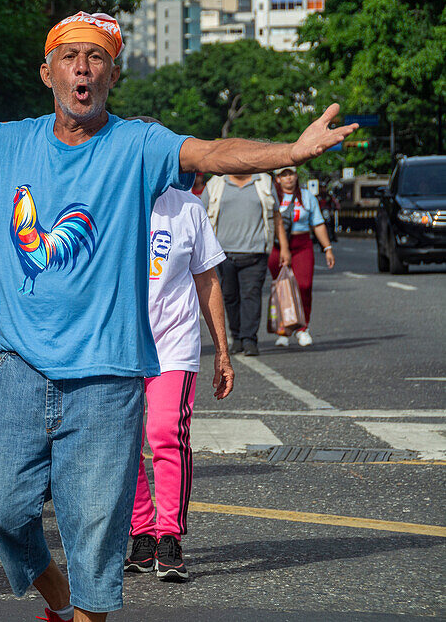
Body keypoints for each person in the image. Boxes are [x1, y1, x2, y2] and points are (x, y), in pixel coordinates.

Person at [0, 9, 356, 621]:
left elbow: (213, 152)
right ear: (47, 72)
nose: (82, 68)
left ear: (112, 75)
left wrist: (291, 150)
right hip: (24, 369)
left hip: (110, 377)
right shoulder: (4, 145)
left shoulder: (139, 145)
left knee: (95, 529)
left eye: (96, 58)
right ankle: (57, 596)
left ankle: (85, 612)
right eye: (69, 56)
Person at [125, 183, 233, 583]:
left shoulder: (188, 207)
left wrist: (222, 351)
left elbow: (207, 281)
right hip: (119, 344)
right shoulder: (110, 194)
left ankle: (169, 535)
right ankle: (141, 532)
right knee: (126, 440)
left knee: (165, 431)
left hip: (173, 343)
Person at [201, 170, 290, 356]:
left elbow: (276, 216)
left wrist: (283, 247)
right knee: (230, 297)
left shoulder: (264, 182)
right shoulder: (215, 184)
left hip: (256, 251)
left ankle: (250, 339)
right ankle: (237, 337)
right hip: (223, 253)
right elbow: (200, 215)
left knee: (251, 295)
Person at [269, 166, 335, 346]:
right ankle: (284, 329)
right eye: (284, 175)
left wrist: (327, 248)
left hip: (302, 244)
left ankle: (303, 327)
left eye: (291, 174)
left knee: (304, 285)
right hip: (277, 247)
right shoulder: (271, 197)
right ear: (277, 179)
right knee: (282, 288)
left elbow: (318, 223)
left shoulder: (307, 197)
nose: (288, 178)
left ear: (296, 176)